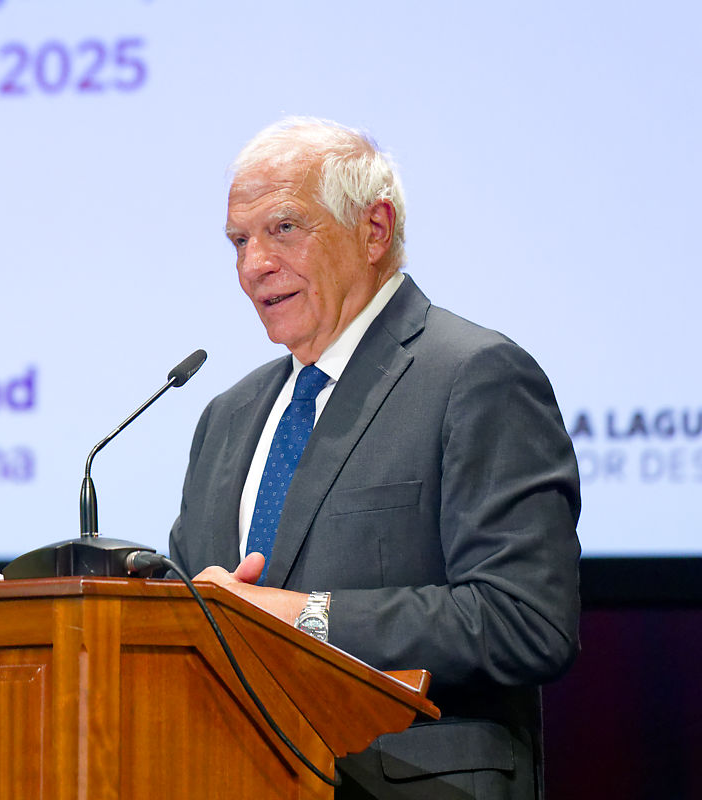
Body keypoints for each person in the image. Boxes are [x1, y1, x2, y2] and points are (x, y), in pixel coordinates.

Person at [168, 117, 581, 799]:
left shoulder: (475, 376)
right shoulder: (227, 417)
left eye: (283, 229)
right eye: (239, 240)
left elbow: (525, 621)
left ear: (374, 230)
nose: (253, 265)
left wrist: (301, 617)